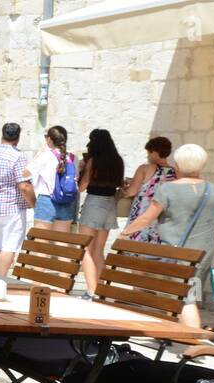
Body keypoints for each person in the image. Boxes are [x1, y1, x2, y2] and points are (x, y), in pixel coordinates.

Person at [122, 144, 214, 330]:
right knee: (187, 294)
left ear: (178, 165)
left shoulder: (168, 190)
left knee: (185, 298)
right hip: (204, 253)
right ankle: (174, 333)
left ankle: (193, 341)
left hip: (176, 253)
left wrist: (125, 233)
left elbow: (147, 218)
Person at [0, 122, 36, 276]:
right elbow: (24, 186)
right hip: (12, 207)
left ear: (2, 135)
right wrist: (34, 203)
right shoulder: (18, 157)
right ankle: (1, 279)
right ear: (18, 138)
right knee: (9, 246)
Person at [77, 128, 125, 296]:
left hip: (94, 203)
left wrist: (81, 169)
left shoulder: (94, 161)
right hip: (110, 204)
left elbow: (82, 186)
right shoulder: (118, 161)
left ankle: (91, 290)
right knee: (98, 250)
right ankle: (101, 290)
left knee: (85, 249)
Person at [29, 125, 77, 232]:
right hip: (66, 201)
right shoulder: (73, 158)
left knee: (41, 241)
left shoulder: (45, 155)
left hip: (46, 200)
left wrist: (40, 151)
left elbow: (26, 173)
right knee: (61, 242)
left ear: (49, 139)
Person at [123, 136, 176, 234]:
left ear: (154, 153)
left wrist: (124, 188)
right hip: (163, 219)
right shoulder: (175, 172)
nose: (147, 156)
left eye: (148, 153)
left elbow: (131, 192)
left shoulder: (144, 168)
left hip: (142, 216)